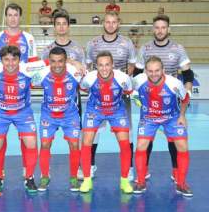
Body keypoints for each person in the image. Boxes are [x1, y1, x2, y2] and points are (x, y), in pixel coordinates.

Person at [0, 45, 47, 193]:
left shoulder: (28, 69)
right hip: (0, 112)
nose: (10, 63)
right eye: (6, 60)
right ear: (1, 60)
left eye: (14, 59)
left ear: (19, 60)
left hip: (23, 112)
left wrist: (75, 63)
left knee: (31, 142)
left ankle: (29, 178)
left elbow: (49, 62)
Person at [134, 14, 194, 183]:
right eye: (157, 27)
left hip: (171, 100)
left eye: (163, 27)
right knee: (147, 137)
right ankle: (143, 170)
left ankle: (176, 170)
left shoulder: (177, 49)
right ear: (153, 29)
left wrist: (187, 89)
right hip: (149, 100)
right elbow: (138, 73)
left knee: (173, 139)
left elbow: (187, 72)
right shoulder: (145, 49)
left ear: (168, 29)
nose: (160, 31)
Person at [0, 3, 38, 180]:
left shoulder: (29, 39)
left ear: (20, 17)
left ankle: (27, 170)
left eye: (16, 15)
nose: (13, 18)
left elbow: (32, 65)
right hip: (1, 97)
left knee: (27, 138)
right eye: (9, 15)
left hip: (22, 96)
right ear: (6, 17)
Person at [84, 11, 136, 180]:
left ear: (118, 23)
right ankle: (90, 165)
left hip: (119, 97)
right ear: (103, 23)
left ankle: (128, 168)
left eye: (114, 22)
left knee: (126, 132)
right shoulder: (93, 43)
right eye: (108, 22)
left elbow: (133, 64)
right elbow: (88, 65)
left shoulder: (127, 43)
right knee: (94, 133)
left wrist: (122, 81)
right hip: (97, 97)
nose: (111, 25)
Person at [133, 56, 192, 197]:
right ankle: (141, 181)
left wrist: (182, 116)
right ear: (145, 71)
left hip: (171, 118)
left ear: (163, 70)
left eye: (157, 70)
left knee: (182, 146)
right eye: (150, 71)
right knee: (141, 145)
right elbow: (127, 88)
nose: (154, 74)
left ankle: (181, 183)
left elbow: (185, 99)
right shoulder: (138, 80)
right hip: (149, 117)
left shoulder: (174, 83)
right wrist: (135, 96)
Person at [79, 51, 134, 194]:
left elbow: (128, 91)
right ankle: (86, 180)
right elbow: (84, 89)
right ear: (96, 66)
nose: (104, 68)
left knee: (125, 145)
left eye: (107, 65)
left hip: (117, 110)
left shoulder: (123, 78)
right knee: (86, 143)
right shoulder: (89, 78)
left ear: (113, 65)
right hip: (95, 110)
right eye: (101, 65)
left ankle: (124, 181)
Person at [34, 47, 83, 192]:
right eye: (53, 61)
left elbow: (90, 82)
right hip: (48, 115)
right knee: (44, 144)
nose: (57, 65)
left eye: (60, 61)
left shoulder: (76, 73)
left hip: (70, 115)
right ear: (49, 61)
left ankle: (74, 177)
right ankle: (44, 176)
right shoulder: (41, 74)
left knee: (74, 145)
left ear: (66, 61)